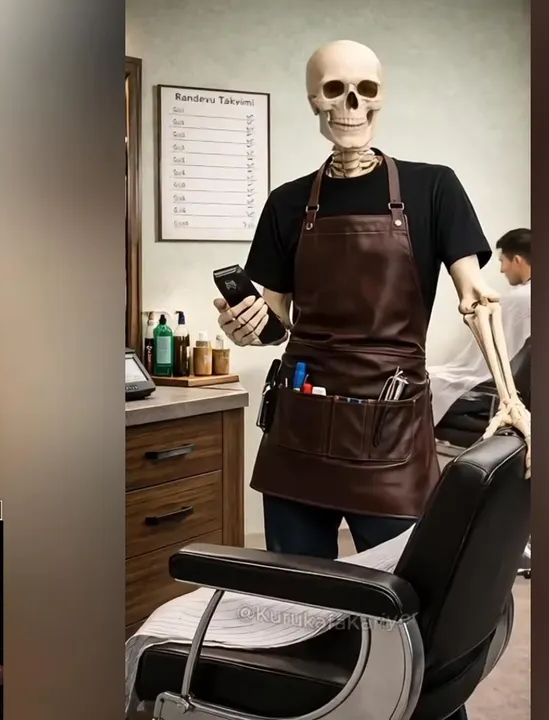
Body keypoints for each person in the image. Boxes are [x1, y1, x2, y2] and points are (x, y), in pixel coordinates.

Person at [213, 41, 499, 566]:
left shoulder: (433, 187)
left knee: (407, 585)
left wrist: (513, 403)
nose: (351, 105)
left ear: (379, 98)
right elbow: (275, 322)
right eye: (334, 91)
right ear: (313, 101)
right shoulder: (287, 202)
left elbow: (477, 299)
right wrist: (247, 328)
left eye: (365, 91)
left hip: (391, 428)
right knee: (297, 588)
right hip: (299, 424)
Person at [429, 228, 532, 425]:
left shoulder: (520, 298)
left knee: (430, 380)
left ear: (517, 260)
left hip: (501, 385)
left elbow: (482, 365)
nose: (502, 270)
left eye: (502, 261)